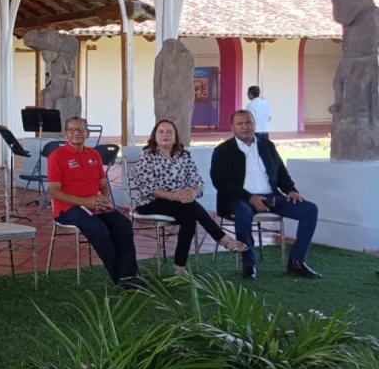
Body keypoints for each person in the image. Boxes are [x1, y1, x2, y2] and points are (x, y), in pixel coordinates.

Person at [210, 110, 322, 281]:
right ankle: (249, 263)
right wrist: (249, 197)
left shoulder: (267, 145)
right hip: (240, 199)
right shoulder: (223, 150)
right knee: (242, 214)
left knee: (310, 210)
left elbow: (281, 173)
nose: (245, 126)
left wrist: (291, 190)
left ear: (254, 124)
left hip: (271, 197)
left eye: (248, 122)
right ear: (232, 127)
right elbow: (220, 182)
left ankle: (297, 261)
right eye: (240, 123)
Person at [134, 119, 247, 276]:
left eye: (169, 132)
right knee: (189, 207)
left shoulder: (183, 156)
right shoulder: (147, 156)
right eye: (161, 132)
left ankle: (179, 267)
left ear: (175, 137)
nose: (165, 135)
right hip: (150, 202)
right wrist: (173, 196)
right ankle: (223, 239)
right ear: (155, 136)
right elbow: (148, 186)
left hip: (181, 202)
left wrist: (193, 192)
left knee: (189, 218)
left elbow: (197, 181)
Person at [47, 116, 139, 286]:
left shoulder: (94, 154)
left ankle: (131, 274)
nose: (76, 133)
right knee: (99, 228)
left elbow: (103, 184)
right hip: (67, 209)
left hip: (95, 204)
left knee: (123, 225)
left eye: (80, 129)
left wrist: (104, 199)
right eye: (72, 130)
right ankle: (120, 277)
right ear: (65, 134)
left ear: (87, 133)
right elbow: (54, 192)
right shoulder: (57, 156)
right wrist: (84, 202)